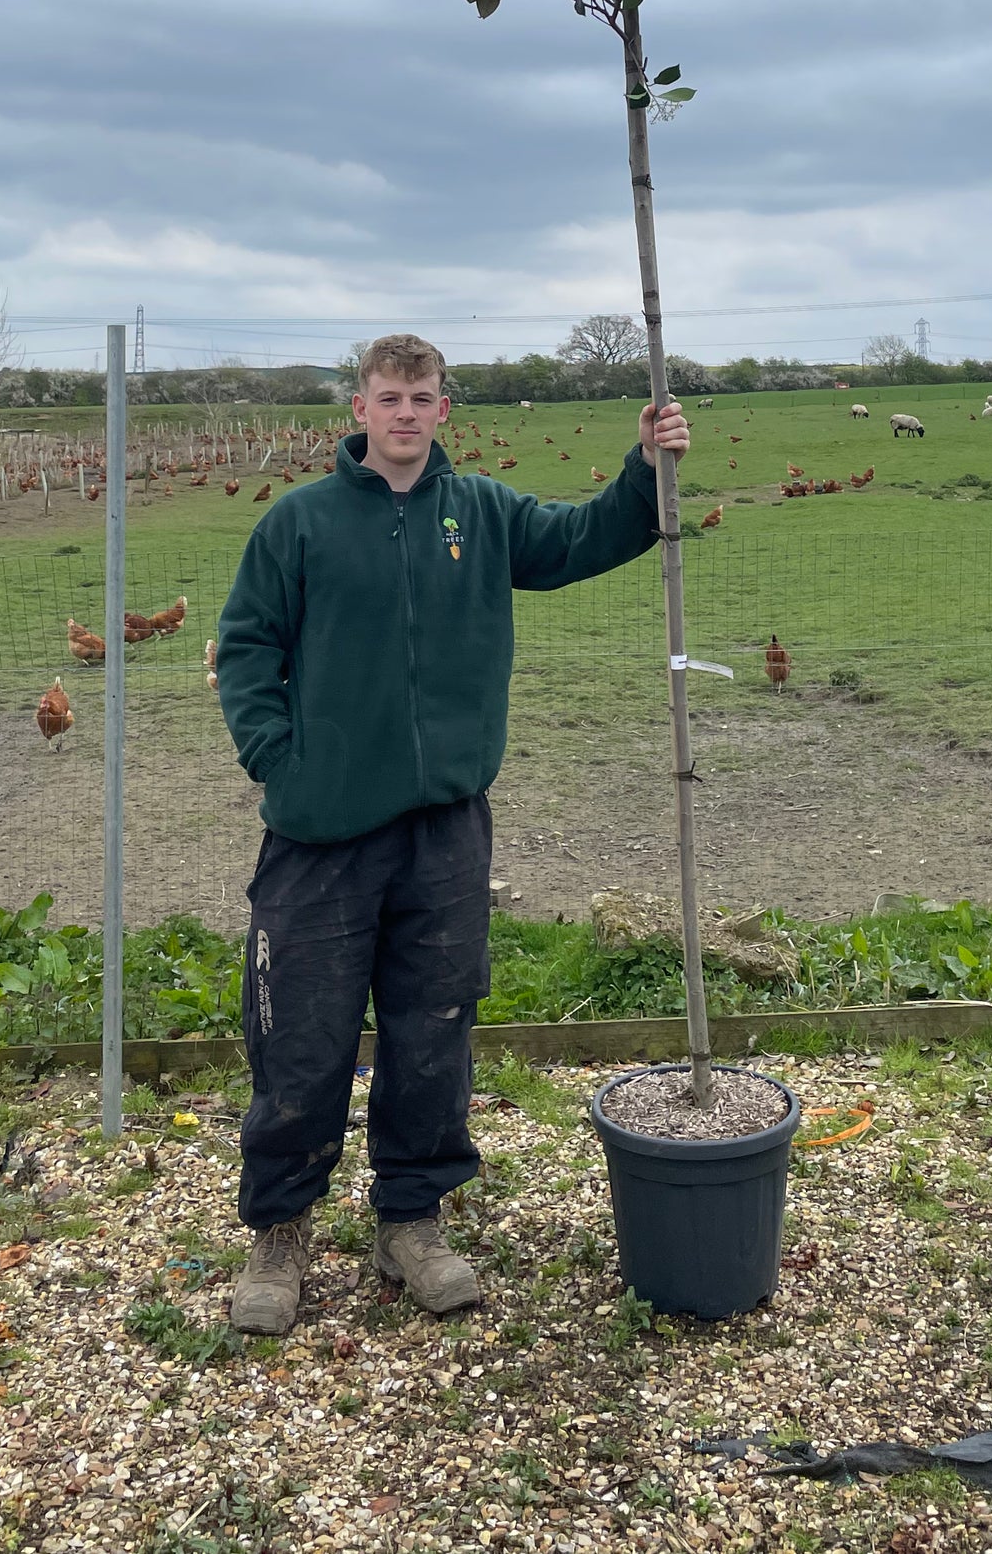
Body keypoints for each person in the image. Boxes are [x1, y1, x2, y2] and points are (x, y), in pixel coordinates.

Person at [214, 331, 690, 1334]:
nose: (403, 413)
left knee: (432, 1029)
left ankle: (410, 1219)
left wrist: (643, 469)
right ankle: (280, 1231)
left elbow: (580, 540)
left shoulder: (480, 512)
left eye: (421, 396)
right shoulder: (297, 525)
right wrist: (277, 757)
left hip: (444, 830)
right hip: (321, 831)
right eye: (387, 396)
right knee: (300, 1036)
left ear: (442, 410)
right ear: (358, 409)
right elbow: (247, 644)